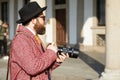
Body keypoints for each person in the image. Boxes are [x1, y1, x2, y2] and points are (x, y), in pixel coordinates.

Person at [9, 1, 69, 80]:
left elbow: (42, 67)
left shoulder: (34, 37)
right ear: (33, 20)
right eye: (43, 18)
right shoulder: (21, 40)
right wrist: (50, 52)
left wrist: (56, 61)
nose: (45, 21)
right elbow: (33, 68)